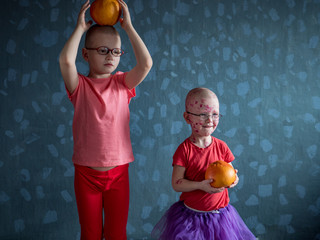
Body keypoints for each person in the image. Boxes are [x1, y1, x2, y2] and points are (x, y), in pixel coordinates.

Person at [59, 0, 152, 239]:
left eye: (116, 51)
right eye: (102, 50)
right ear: (85, 54)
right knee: (90, 233)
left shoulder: (122, 83)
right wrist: (80, 28)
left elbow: (146, 64)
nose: (110, 56)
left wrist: (128, 27)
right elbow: (65, 62)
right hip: (86, 175)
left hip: (118, 173)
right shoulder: (79, 86)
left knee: (116, 233)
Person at [151, 88, 255, 240]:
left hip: (220, 217)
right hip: (191, 218)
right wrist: (200, 185)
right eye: (202, 115)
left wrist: (234, 180)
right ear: (187, 118)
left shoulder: (222, 146)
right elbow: (177, 184)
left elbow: (231, 172)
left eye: (215, 114)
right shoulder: (184, 150)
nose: (210, 120)